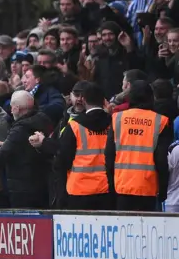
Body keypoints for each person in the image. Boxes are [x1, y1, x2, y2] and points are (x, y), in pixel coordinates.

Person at [0, 91, 53, 208]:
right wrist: (3, 144)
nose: (10, 110)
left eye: (11, 107)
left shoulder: (20, 128)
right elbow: (27, 148)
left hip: (23, 189)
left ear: (17, 108)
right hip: (42, 184)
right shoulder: (43, 120)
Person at [106, 81, 172, 211]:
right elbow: (161, 160)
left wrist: (111, 185)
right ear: (151, 97)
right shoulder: (160, 121)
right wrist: (163, 189)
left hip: (122, 186)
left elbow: (109, 155)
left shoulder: (117, 119)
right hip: (147, 188)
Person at [55, 83, 113, 210]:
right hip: (106, 187)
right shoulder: (113, 123)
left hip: (79, 189)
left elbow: (62, 159)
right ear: (104, 101)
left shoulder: (75, 126)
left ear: (84, 99)